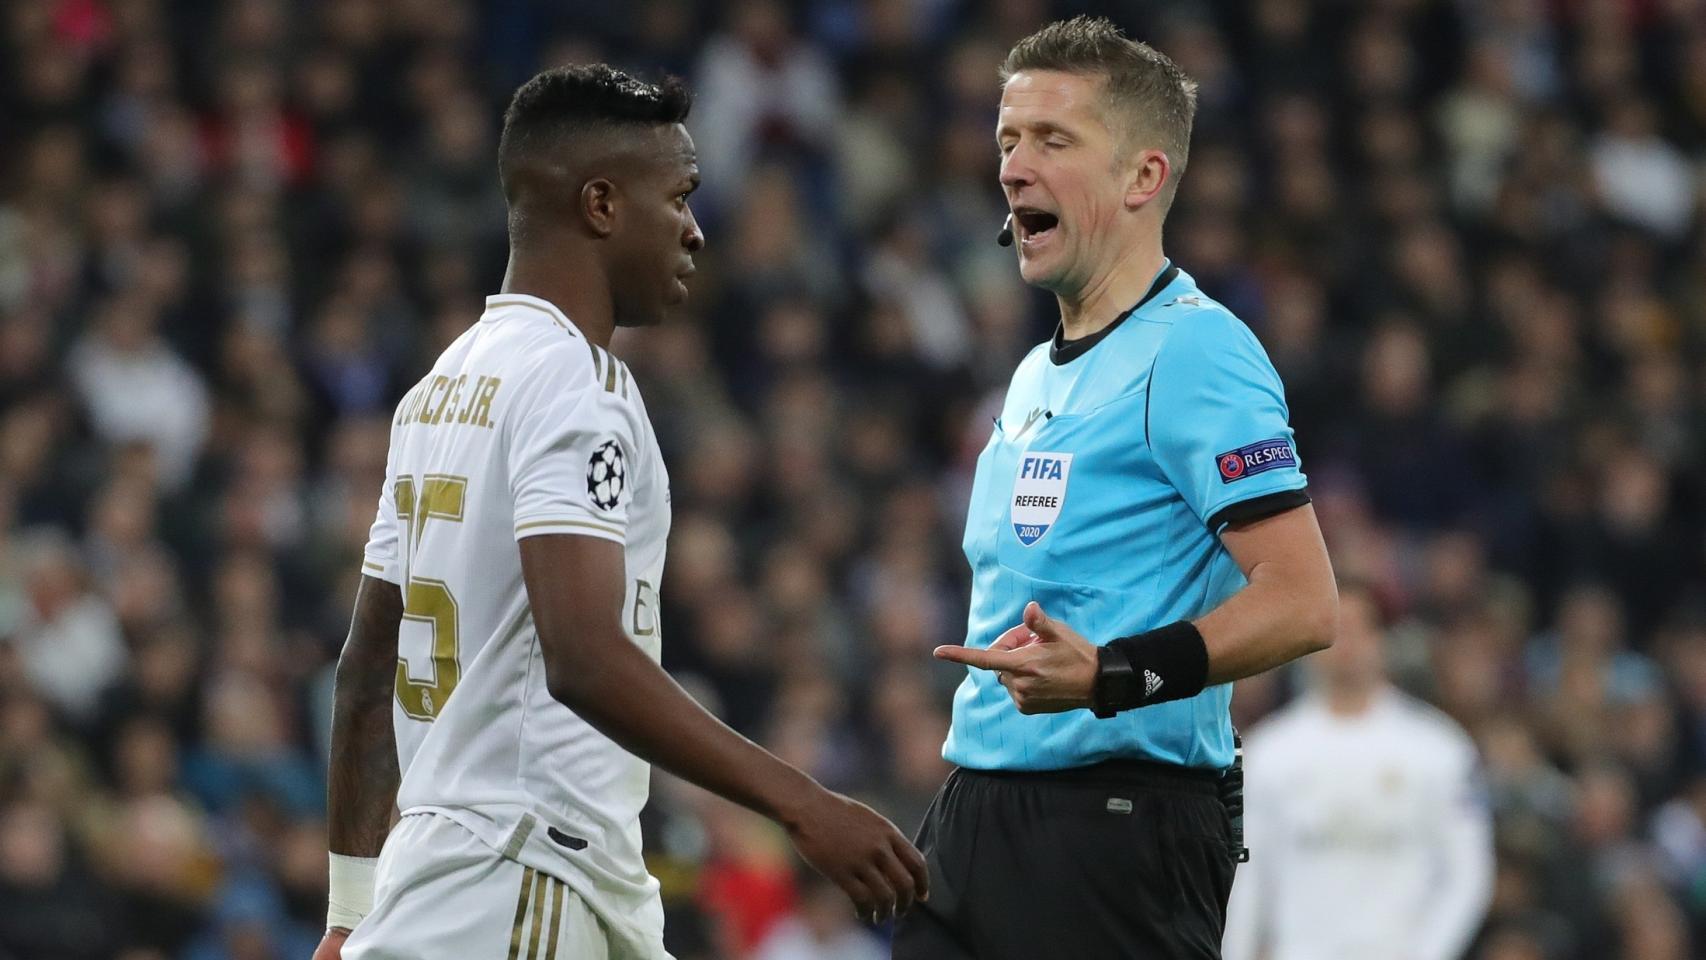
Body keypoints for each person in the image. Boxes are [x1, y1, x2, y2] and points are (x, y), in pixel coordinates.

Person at [312, 65, 926, 960]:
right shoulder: (576, 384)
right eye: (679, 197)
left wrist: (348, 907)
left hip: (493, 869)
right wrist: (802, 802)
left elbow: (369, 670)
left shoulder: (440, 387)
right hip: (524, 872)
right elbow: (585, 658)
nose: (695, 231)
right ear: (601, 204)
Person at [897, 18, 1338, 960]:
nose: (1015, 168)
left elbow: (1304, 602)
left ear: (1144, 178)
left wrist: (1110, 674)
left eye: (1054, 141)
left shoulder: (1197, 350)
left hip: (1117, 826)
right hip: (976, 811)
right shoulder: (1028, 377)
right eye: (1008, 139)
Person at [1221, 582, 1495, 960]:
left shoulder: (1439, 748)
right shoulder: (1270, 752)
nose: (1346, 645)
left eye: (1359, 628)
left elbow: (1467, 874)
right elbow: (1247, 877)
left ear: (1383, 639)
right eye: (1336, 629)